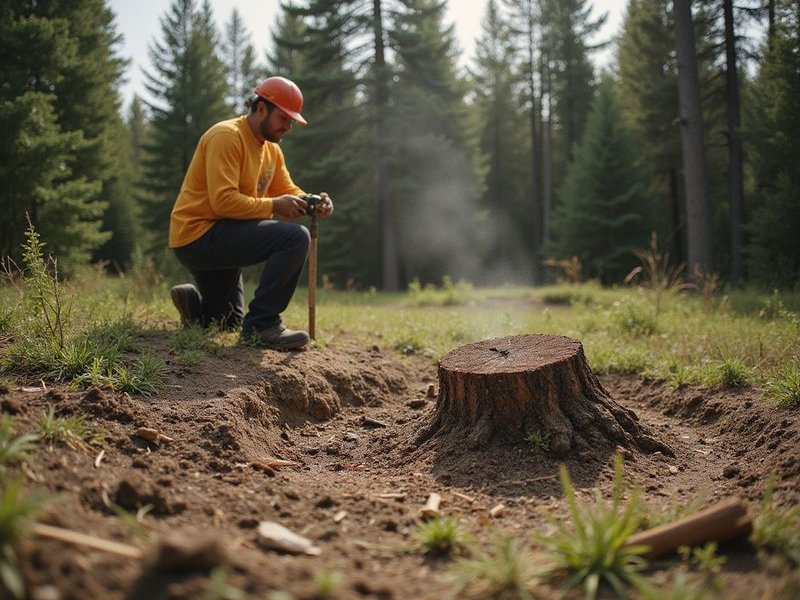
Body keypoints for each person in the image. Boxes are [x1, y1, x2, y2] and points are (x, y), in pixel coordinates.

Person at [168, 76, 333, 350]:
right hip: (198, 236)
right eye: (283, 118)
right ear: (261, 108)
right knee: (295, 237)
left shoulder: (272, 150)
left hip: (224, 234)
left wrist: (311, 202)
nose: (288, 126)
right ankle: (263, 325)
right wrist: (274, 206)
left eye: (292, 121)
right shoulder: (227, 136)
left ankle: (194, 310)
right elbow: (223, 202)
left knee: (227, 321)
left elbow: (287, 190)